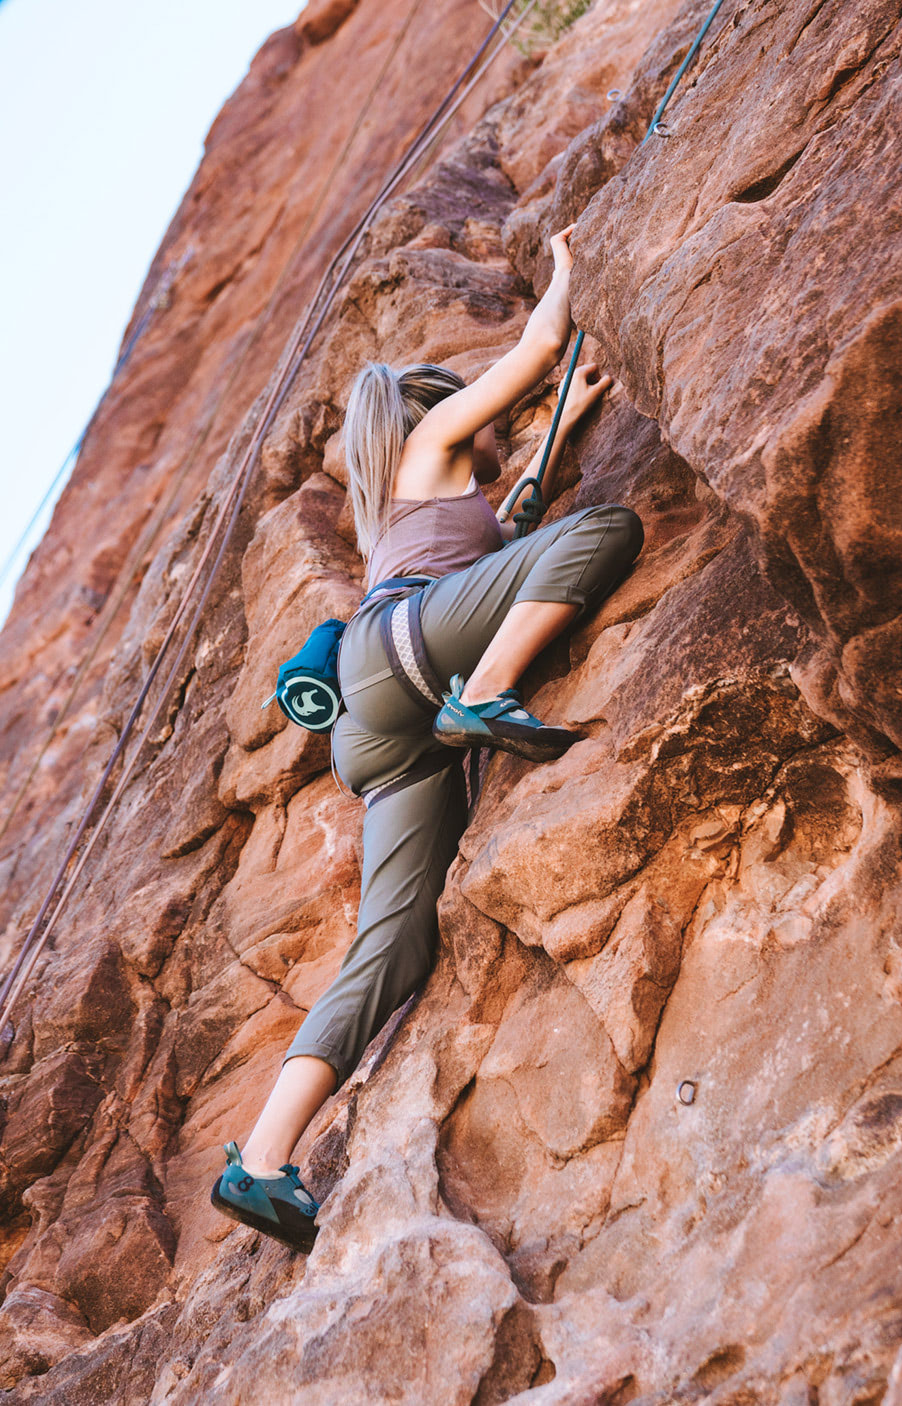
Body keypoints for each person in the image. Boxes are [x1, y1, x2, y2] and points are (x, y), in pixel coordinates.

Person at [212, 226, 644, 1252]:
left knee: (391, 943)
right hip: (420, 658)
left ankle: (261, 1162)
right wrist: (570, 272)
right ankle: (489, 693)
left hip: (379, 721)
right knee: (607, 532)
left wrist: (560, 434)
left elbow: (503, 535)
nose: (493, 430)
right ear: (428, 410)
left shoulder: (422, 508)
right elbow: (536, 355)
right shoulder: (427, 439)